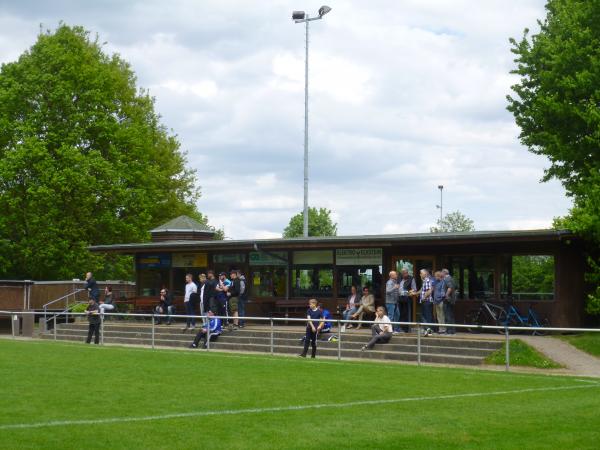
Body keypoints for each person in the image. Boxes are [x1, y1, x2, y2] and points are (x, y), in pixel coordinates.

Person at [412, 269, 434, 336]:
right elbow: (422, 290)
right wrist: (415, 293)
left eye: (421, 273)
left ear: (425, 274)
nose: (420, 274)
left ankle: (429, 331)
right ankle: (427, 330)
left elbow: (429, 290)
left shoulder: (427, 280)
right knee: (424, 316)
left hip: (426, 301)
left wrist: (424, 298)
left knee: (427, 316)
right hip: (425, 301)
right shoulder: (424, 281)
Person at [398, 268, 416, 333]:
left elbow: (414, 289)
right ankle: (401, 328)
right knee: (400, 314)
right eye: (403, 273)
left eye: (406, 273)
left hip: (407, 299)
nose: (405, 274)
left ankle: (407, 329)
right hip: (399, 299)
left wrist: (407, 292)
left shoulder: (411, 278)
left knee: (407, 314)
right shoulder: (399, 278)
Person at [442, 268, 457, 335]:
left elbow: (450, 287)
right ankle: (452, 330)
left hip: (448, 300)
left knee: (447, 315)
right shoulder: (451, 278)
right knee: (451, 315)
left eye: (442, 273)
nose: (441, 274)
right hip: (451, 300)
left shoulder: (447, 279)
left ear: (444, 273)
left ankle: (449, 331)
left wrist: (446, 295)